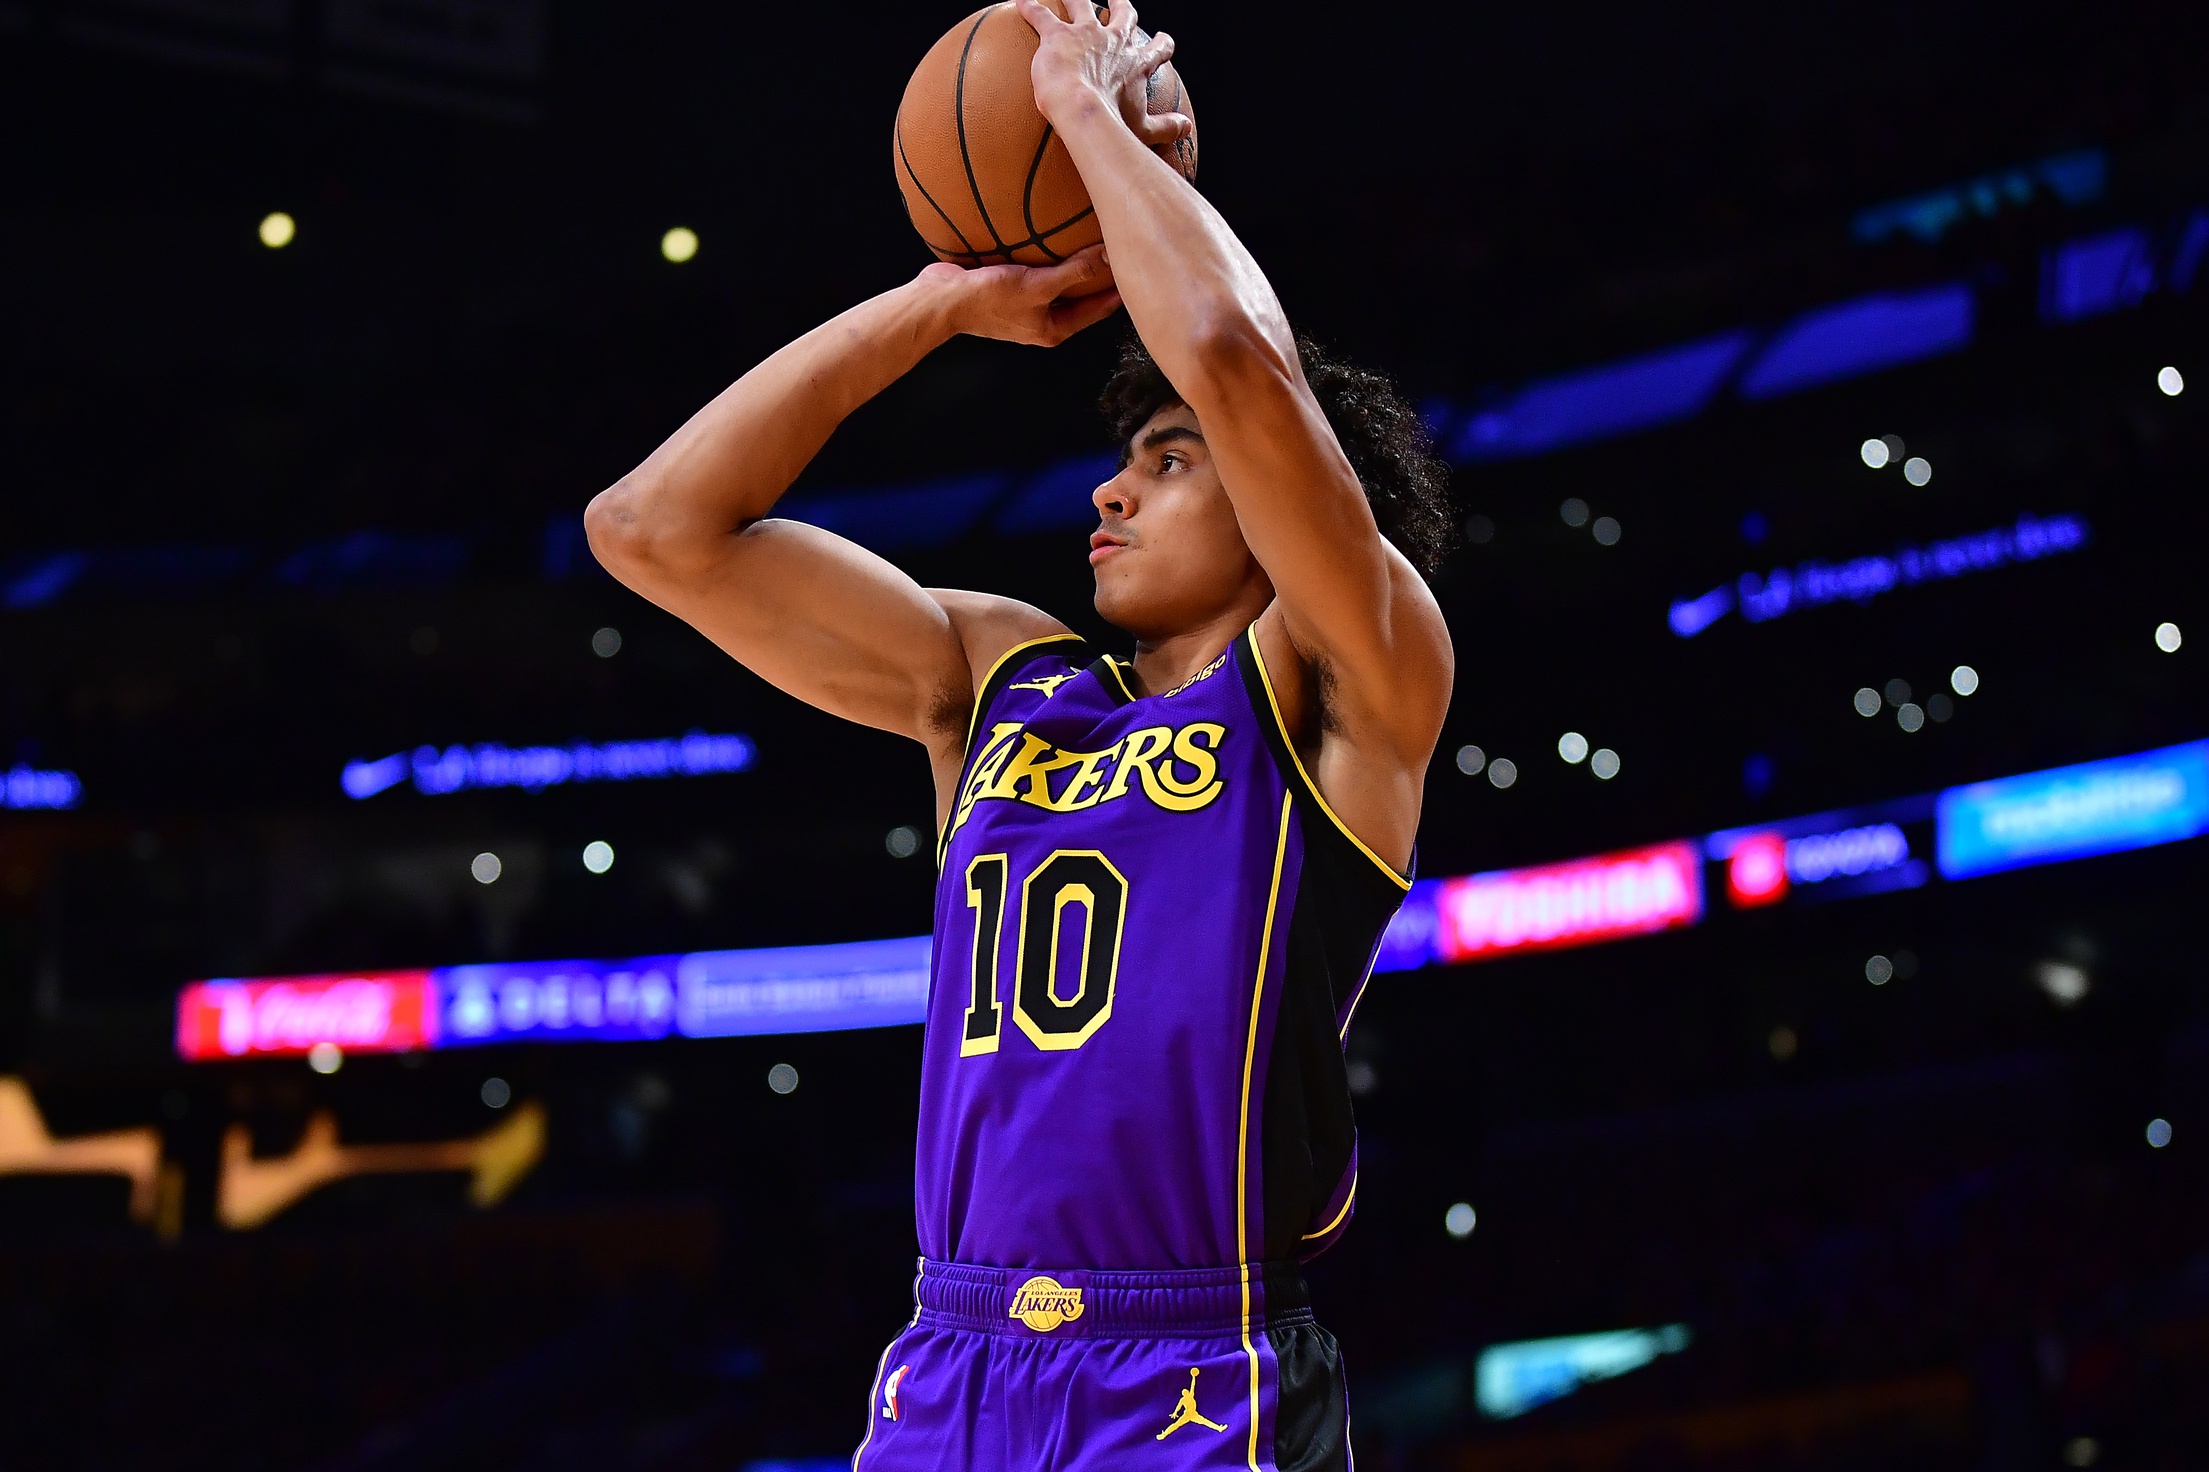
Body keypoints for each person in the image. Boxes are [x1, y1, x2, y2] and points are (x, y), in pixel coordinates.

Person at [584, 2, 1453, 1464]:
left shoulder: (1347, 665)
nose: (1109, 494)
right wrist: (942, 301)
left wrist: (1089, 122)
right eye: (1118, 462)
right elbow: (651, 530)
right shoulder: (1002, 678)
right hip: (950, 1357)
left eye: (1165, 462)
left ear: (1280, 495)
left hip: (1195, 1362)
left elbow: (1239, 363)